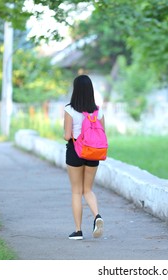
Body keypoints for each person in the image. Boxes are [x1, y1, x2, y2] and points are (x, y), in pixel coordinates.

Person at [63, 75, 104, 240]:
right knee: (88, 189)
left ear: (76, 90)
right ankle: (97, 216)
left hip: (75, 151)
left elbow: (67, 136)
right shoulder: (98, 110)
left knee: (76, 191)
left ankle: (78, 231)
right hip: (94, 152)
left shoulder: (69, 109)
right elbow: (103, 133)